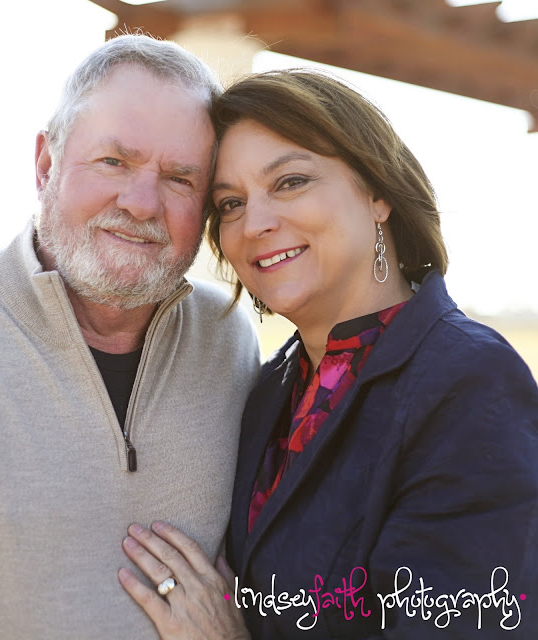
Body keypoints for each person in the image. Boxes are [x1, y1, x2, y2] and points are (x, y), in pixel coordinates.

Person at [118, 68, 538, 639]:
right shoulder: (267, 391)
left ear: (378, 193)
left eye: (290, 182)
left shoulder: (469, 382)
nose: (256, 223)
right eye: (231, 203)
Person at [0, 34, 261, 639]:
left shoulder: (228, 341)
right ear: (46, 166)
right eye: (113, 162)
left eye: (179, 178)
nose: (141, 204)